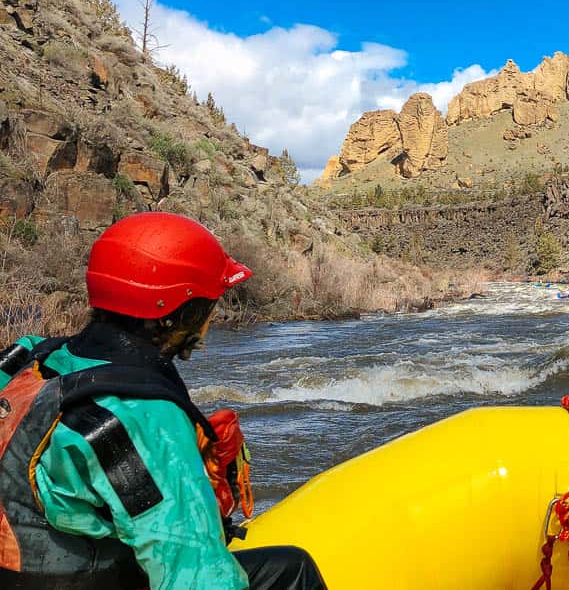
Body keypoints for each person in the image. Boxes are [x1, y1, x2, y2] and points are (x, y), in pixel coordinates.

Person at [0, 212, 326, 589]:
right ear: (174, 314)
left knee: (289, 565)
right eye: (208, 306)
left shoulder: (27, 359)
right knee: (294, 572)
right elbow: (197, 578)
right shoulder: (143, 416)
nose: (209, 321)